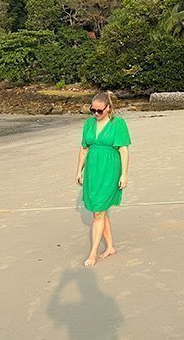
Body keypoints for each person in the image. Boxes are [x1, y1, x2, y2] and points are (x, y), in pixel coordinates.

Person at [75, 92, 131, 267]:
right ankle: (110, 247)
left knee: (98, 211)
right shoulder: (88, 124)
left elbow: (123, 150)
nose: (96, 114)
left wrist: (124, 174)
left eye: (99, 110)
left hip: (110, 170)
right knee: (99, 210)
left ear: (109, 108)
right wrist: (79, 171)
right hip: (92, 171)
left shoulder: (118, 124)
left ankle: (93, 253)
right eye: (93, 110)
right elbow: (84, 149)